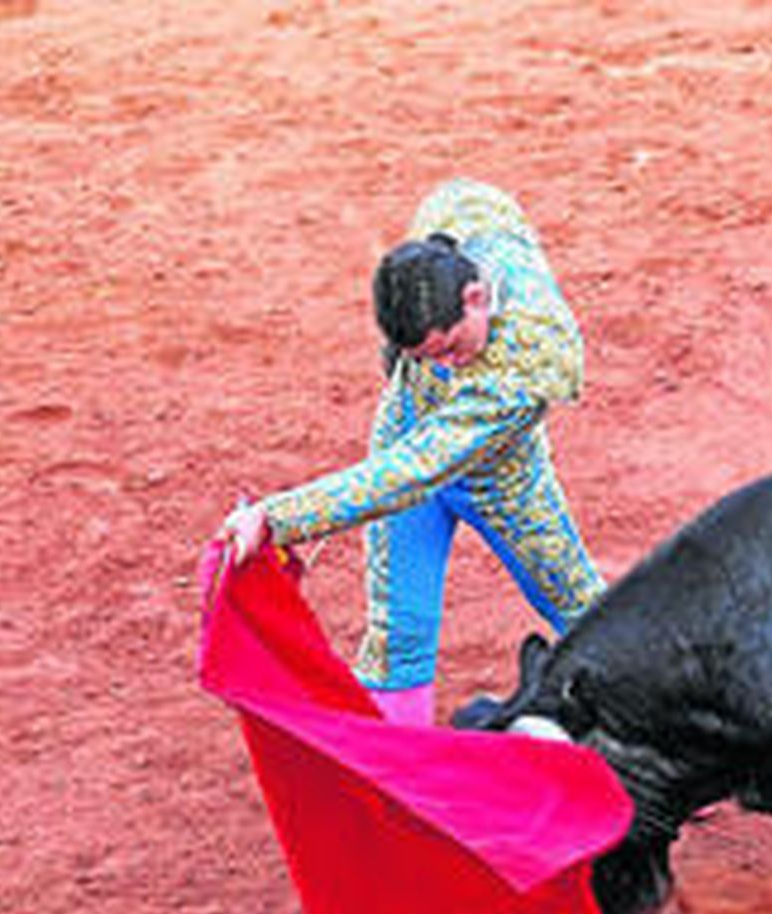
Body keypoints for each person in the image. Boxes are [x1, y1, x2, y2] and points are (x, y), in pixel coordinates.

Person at [217, 179, 605, 726]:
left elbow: (410, 473)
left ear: (476, 298)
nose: (444, 366)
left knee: (583, 609)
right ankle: (396, 794)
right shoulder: (456, 224)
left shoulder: (535, 351)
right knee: (396, 635)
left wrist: (276, 517)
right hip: (407, 436)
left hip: (501, 480)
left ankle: (674, 752)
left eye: (448, 349)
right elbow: (463, 196)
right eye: (427, 357)